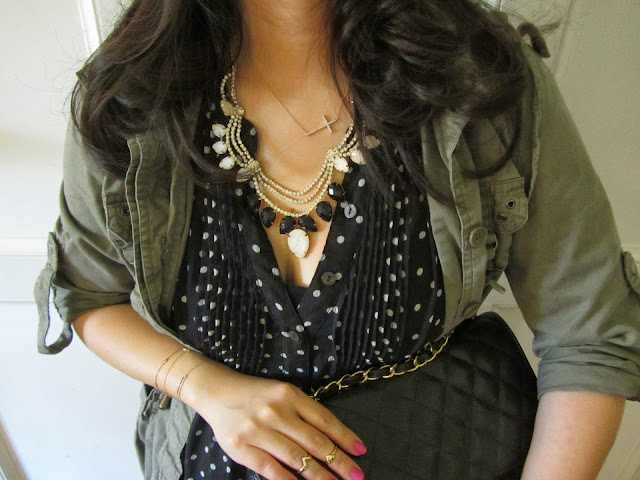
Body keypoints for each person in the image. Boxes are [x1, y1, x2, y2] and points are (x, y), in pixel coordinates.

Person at [35, 0, 640, 479]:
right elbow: (89, 295)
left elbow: (588, 335)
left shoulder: (478, 82)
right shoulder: (128, 98)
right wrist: (205, 387)